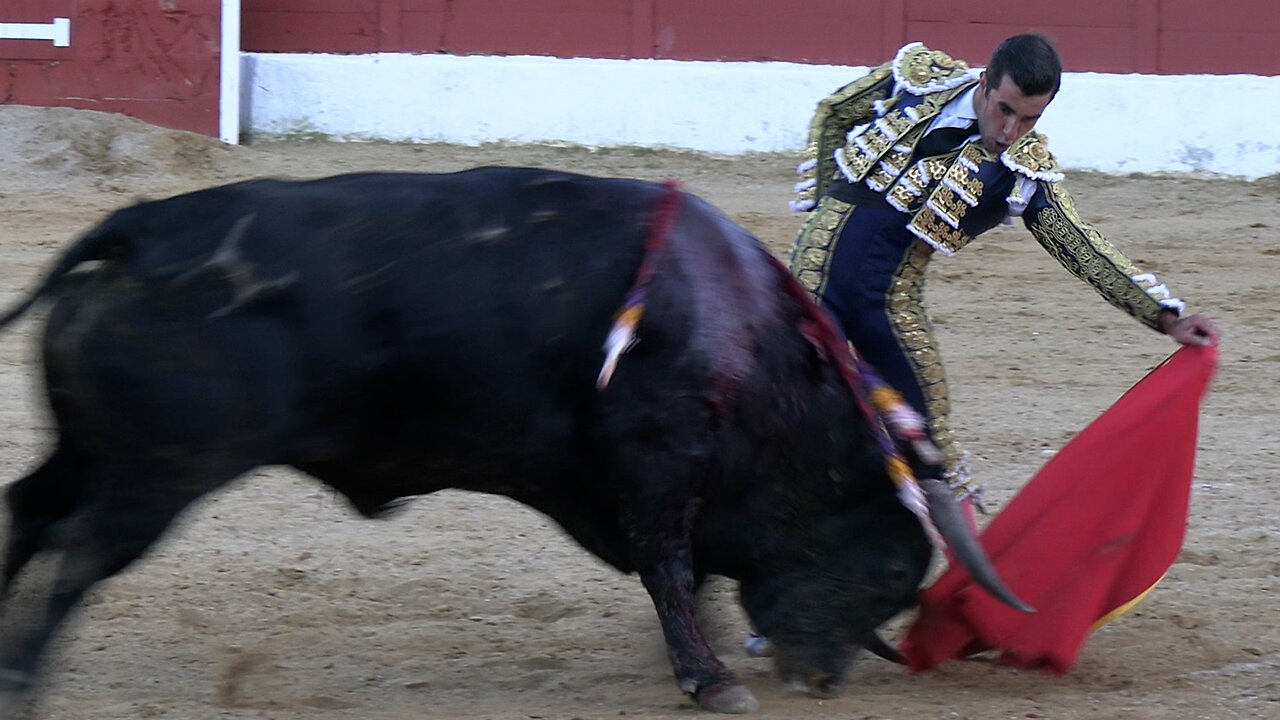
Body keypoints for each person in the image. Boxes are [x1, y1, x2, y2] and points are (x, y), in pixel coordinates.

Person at [786, 34, 1218, 510]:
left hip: (886, 304)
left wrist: (1165, 316)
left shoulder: (1021, 172)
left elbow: (1081, 246)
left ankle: (958, 575)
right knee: (773, 407)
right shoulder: (918, 80)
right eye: (1005, 110)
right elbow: (834, 113)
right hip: (811, 278)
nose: (1011, 131)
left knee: (930, 442)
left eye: (1030, 118)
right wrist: (824, 212)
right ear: (985, 82)